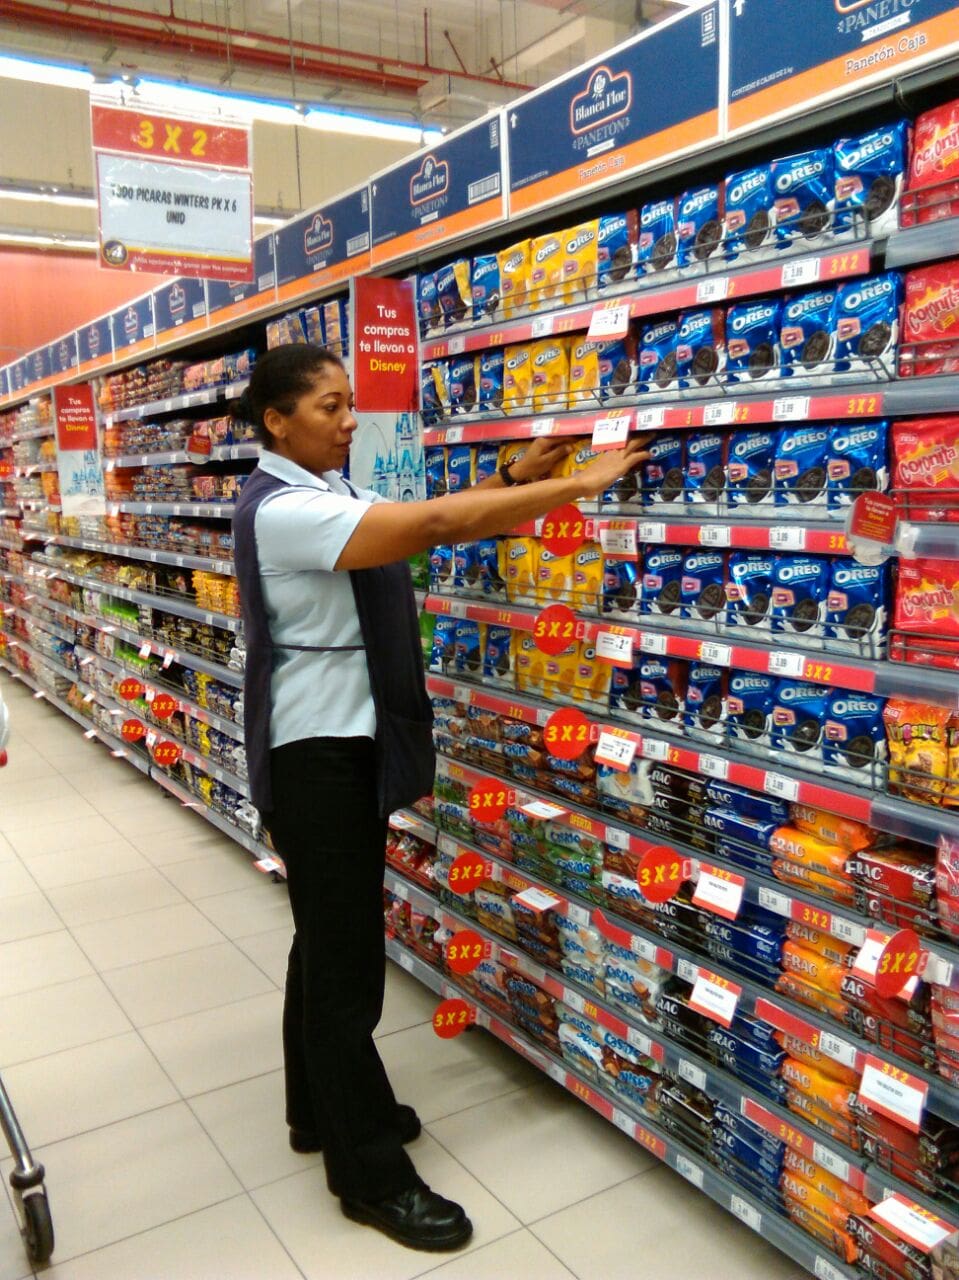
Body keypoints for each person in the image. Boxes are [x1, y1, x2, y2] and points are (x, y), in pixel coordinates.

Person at [230, 343, 648, 1253]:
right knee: (347, 970)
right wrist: (577, 486)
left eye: (349, 404)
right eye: (332, 406)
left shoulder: (319, 488)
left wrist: (509, 474)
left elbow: (401, 516)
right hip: (316, 752)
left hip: (338, 742)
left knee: (324, 937)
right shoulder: (283, 508)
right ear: (275, 421)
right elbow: (428, 527)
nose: (349, 421)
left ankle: (318, 1111)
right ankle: (368, 1173)